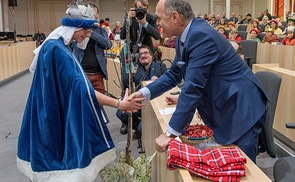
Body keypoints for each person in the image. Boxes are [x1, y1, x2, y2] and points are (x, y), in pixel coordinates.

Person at [129, 0, 268, 163]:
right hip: (227, 103)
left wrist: (170, 134)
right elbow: (174, 74)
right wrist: (142, 94)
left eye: (159, 18)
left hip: (242, 108)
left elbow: (193, 88)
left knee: (243, 168)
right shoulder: (185, 36)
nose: (157, 22)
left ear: (174, 17)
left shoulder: (200, 36)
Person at [17, 4, 145, 182]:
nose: (87, 34)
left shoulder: (58, 46)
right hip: (53, 116)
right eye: (85, 30)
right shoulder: (57, 50)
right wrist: (119, 104)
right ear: (74, 27)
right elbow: (82, 90)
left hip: (51, 112)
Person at [117, 45, 166, 139]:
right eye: (140, 54)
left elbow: (168, 83)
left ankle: (141, 129)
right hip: (140, 105)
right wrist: (130, 74)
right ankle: (139, 127)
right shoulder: (135, 68)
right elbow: (125, 84)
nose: (143, 56)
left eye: (146, 53)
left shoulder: (160, 66)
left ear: (152, 55)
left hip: (155, 105)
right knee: (120, 113)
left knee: (142, 128)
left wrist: (159, 80)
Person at [78, 2, 111, 95]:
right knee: (83, 101)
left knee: (99, 103)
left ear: (97, 15)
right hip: (82, 73)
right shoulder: (78, 30)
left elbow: (108, 44)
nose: (92, 15)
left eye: (94, 13)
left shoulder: (101, 31)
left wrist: (92, 33)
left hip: (98, 74)